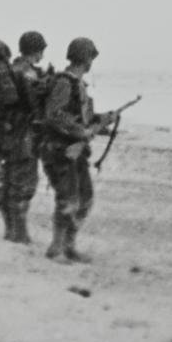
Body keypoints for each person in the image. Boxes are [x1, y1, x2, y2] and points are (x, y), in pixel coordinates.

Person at [40, 37, 115, 264]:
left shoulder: (78, 84)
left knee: (85, 199)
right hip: (60, 151)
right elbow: (54, 114)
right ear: (86, 58)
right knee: (69, 199)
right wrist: (80, 132)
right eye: (91, 57)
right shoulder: (65, 83)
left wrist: (103, 119)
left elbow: (83, 117)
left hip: (75, 152)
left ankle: (69, 246)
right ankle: (56, 248)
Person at [0, 31, 49, 244]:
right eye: (41, 51)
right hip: (25, 133)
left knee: (11, 180)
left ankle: (10, 230)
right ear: (37, 51)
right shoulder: (28, 73)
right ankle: (19, 232)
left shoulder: (10, 68)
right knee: (25, 182)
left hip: (8, 132)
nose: (42, 56)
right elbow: (34, 105)